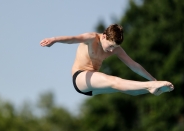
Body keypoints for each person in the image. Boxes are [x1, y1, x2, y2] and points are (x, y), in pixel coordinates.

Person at [40, 24, 174, 96]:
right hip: (80, 78)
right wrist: (54, 39)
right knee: (114, 81)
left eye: (115, 47)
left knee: (128, 90)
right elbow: (73, 39)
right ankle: (149, 86)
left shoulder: (115, 49)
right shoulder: (91, 38)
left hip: (91, 89)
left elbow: (134, 65)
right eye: (110, 46)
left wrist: (153, 79)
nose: (111, 51)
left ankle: (153, 89)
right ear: (104, 36)